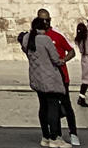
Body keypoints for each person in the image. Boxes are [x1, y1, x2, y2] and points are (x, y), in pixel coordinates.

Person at [26, 16, 74, 147]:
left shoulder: (27, 38)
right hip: (49, 78)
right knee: (53, 107)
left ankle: (45, 136)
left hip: (36, 78)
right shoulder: (45, 39)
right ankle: (55, 138)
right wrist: (62, 61)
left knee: (43, 106)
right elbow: (56, 59)